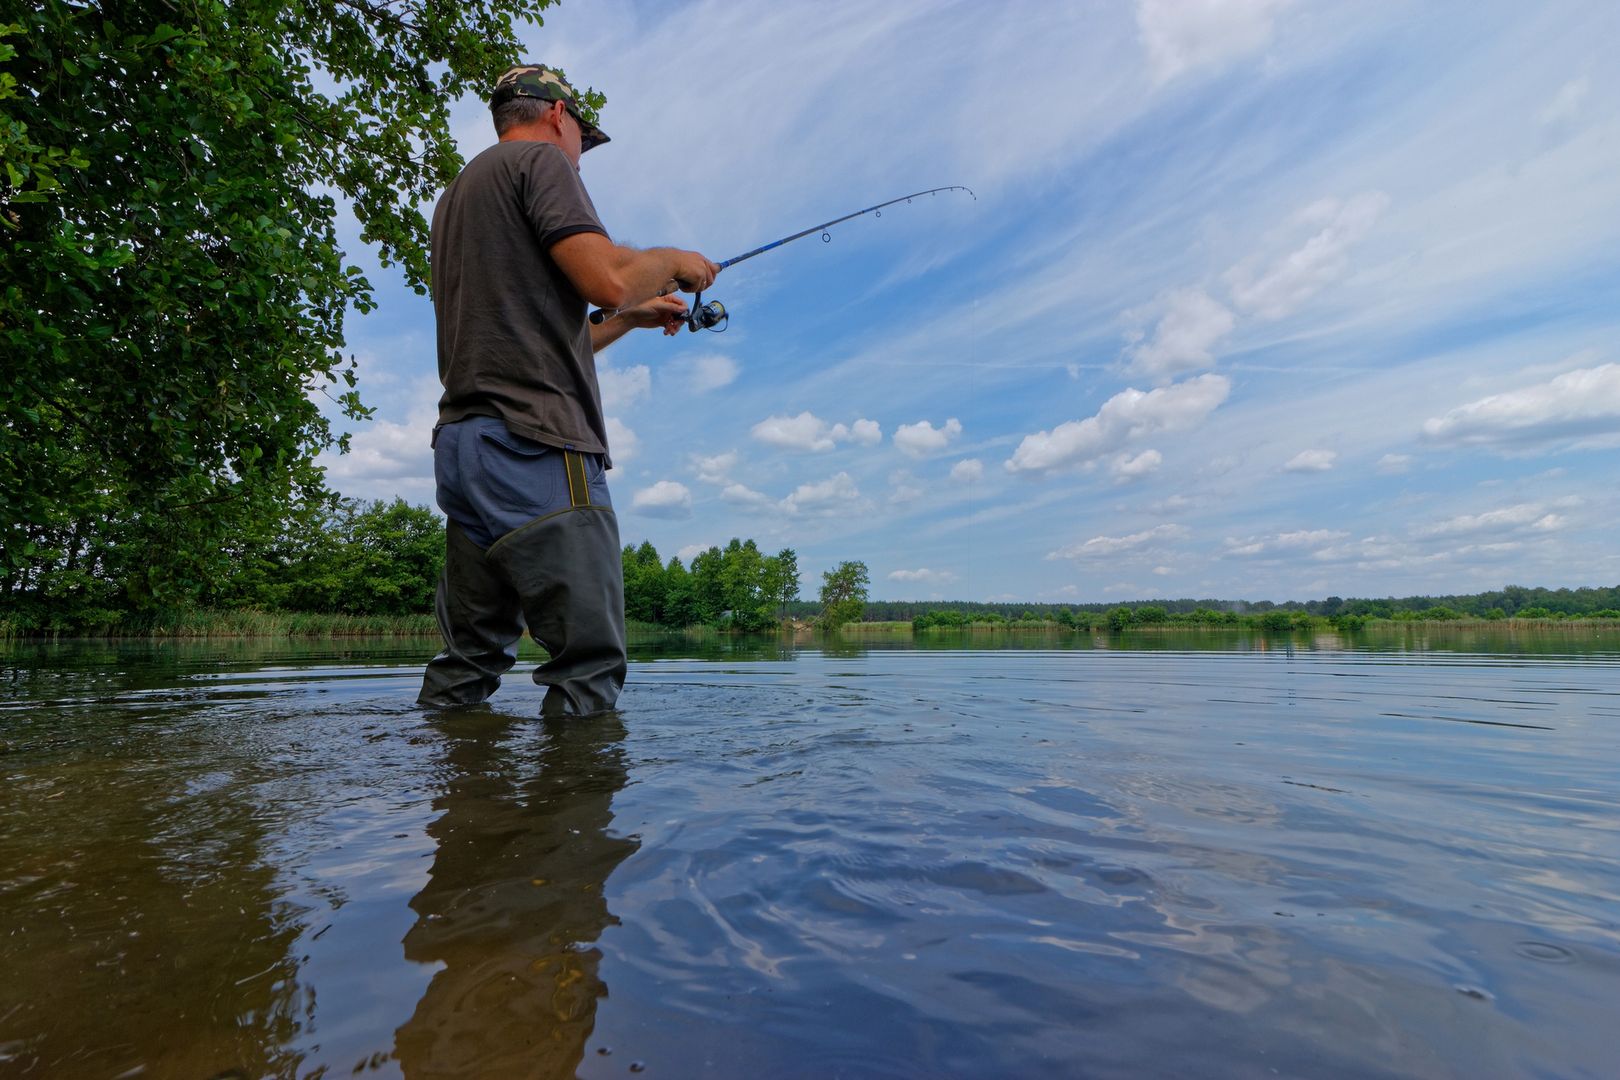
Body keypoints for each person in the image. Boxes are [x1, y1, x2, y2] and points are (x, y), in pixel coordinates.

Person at [417, 65, 720, 715]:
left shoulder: (456, 198)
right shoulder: (542, 165)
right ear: (558, 115)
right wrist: (674, 261)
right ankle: (570, 816)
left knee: (465, 664)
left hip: (466, 450)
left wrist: (634, 319)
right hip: (538, 447)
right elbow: (609, 279)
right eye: (584, 133)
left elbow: (546, 336)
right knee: (588, 667)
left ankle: (457, 805)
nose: (583, 156)